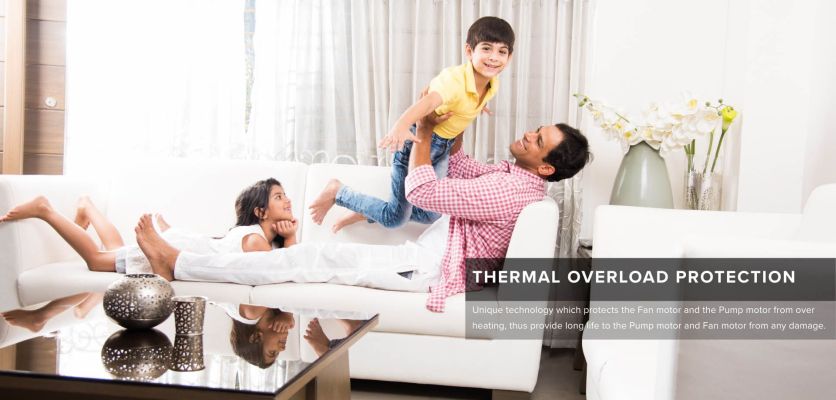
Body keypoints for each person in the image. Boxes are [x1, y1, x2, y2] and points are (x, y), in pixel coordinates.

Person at [133, 110, 591, 312]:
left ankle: (178, 264)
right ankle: (159, 257)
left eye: (538, 140)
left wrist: (425, 133)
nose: (528, 135)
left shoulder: (511, 192)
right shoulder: (513, 177)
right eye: (536, 129)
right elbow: (459, 165)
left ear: (546, 167)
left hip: (425, 269)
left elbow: (423, 190)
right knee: (304, 258)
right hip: (423, 258)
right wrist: (460, 114)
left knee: (305, 259)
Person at [309, 16, 515, 233]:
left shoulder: (491, 82)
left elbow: (468, 98)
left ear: (509, 57)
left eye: (502, 51)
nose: (494, 57)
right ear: (469, 51)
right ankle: (339, 191)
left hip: (443, 149)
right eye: (486, 49)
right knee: (394, 219)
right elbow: (427, 102)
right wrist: (401, 125)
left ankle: (373, 211)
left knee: (432, 213)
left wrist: (476, 106)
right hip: (419, 143)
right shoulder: (453, 81)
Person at [0, 178, 298, 274]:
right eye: (279, 197)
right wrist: (290, 238)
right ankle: (46, 210)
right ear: (260, 211)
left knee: (117, 250)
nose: (287, 201)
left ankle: (86, 207)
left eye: (285, 195)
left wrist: (287, 238)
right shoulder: (255, 241)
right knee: (95, 261)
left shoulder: (255, 237)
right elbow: (284, 272)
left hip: (184, 245)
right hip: (175, 249)